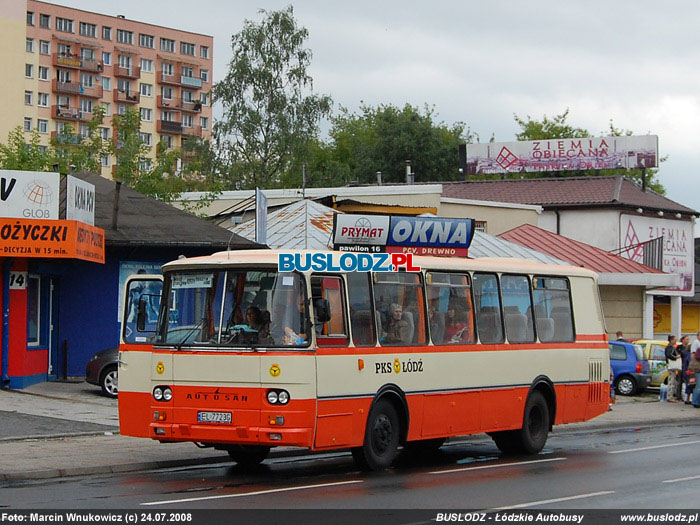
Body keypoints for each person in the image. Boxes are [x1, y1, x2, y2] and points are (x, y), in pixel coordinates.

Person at [665, 335, 681, 402]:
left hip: (671, 366)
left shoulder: (670, 347)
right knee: (671, 381)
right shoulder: (670, 347)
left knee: (672, 380)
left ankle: (670, 396)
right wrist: (676, 357)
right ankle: (670, 396)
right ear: (671, 340)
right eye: (675, 339)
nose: (676, 341)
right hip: (671, 366)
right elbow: (669, 355)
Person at [678, 335, 691, 402]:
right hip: (682, 366)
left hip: (686, 367)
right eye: (686, 339)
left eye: (688, 339)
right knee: (680, 381)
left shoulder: (689, 349)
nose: (688, 340)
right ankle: (679, 396)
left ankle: (686, 398)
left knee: (688, 383)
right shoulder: (679, 348)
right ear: (683, 340)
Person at [690, 332, 700, 407]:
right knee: (698, 386)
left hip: (697, 367)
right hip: (698, 368)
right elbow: (693, 355)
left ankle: (696, 401)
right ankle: (695, 402)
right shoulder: (696, 342)